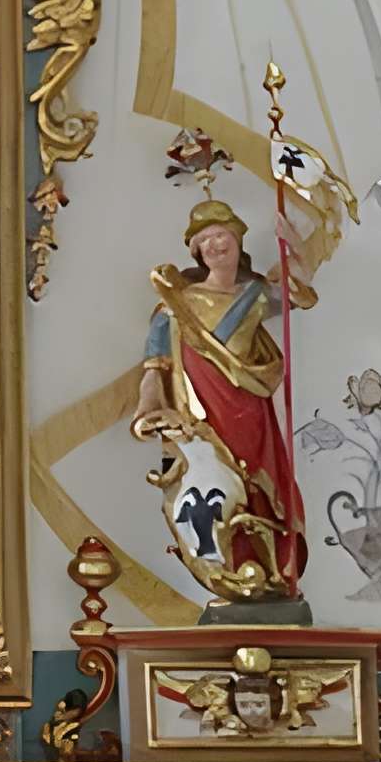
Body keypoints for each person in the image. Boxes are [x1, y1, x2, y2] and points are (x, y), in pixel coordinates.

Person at [131, 199, 312, 588]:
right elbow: (155, 369)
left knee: (260, 487)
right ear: (195, 249)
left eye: (222, 235)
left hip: (251, 413)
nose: (215, 245)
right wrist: (150, 412)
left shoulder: (256, 294)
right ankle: (225, 570)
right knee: (211, 492)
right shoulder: (175, 307)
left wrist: (292, 243)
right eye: (206, 239)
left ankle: (271, 569)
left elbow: (299, 293)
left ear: (237, 240)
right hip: (202, 422)